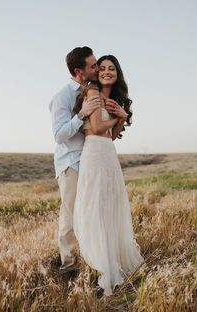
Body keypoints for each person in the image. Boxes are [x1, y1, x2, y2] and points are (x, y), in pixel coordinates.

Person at [73, 55, 146, 296]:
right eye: (101, 68)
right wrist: (120, 116)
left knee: (111, 205)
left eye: (111, 69)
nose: (106, 72)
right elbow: (96, 128)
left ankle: (115, 257)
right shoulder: (93, 93)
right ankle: (101, 263)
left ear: (117, 73)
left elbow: (112, 135)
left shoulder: (113, 98)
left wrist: (119, 119)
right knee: (96, 205)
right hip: (93, 151)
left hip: (107, 151)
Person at [49, 47, 101, 274]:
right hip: (71, 163)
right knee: (69, 215)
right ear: (79, 71)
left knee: (92, 212)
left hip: (90, 160)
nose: (97, 68)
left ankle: (95, 259)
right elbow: (59, 135)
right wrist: (80, 115)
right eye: (93, 65)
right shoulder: (62, 96)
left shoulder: (94, 90)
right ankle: (68, 266)